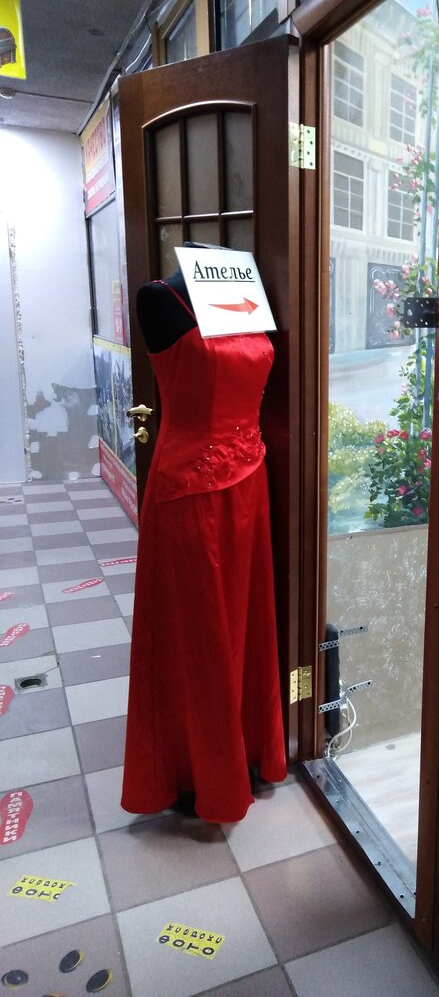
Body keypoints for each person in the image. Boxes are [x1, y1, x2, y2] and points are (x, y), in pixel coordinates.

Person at [121, 249, 287, 823]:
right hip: (190, 489)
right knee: (197, 633)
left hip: (250, 483)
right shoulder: (157, 298)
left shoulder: (243, 285)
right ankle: (198, 774)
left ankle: (245, 751)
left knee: (244, 624)